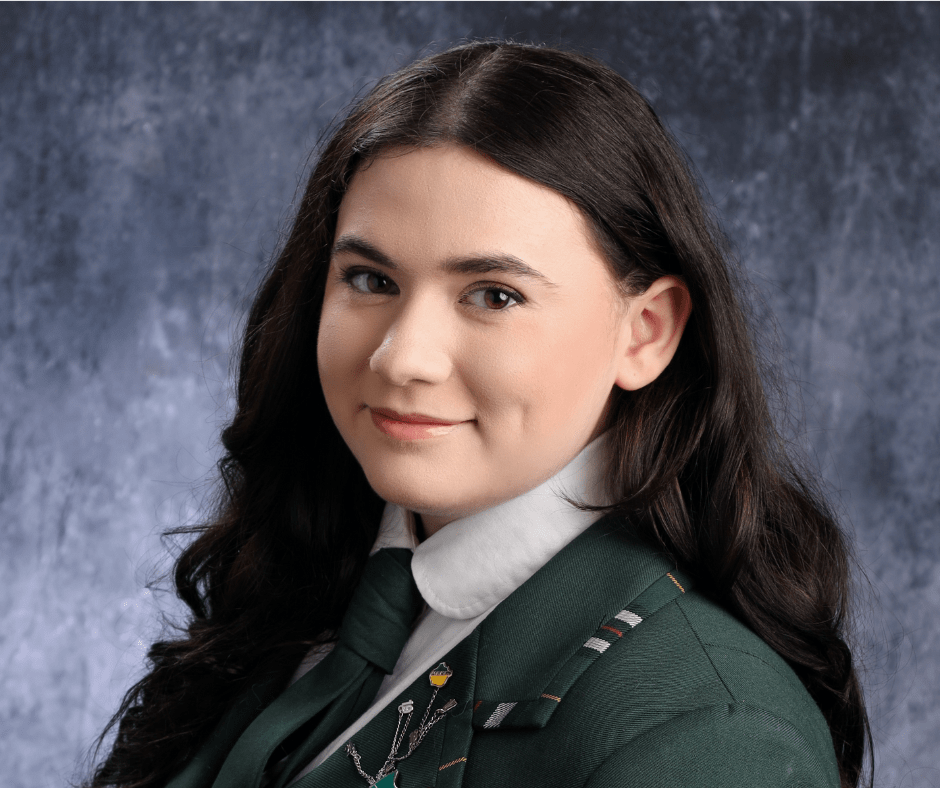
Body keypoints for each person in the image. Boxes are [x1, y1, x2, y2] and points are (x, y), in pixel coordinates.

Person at [85, 40, 871, 788]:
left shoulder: (706, 733)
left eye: (494, 295)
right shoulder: (307, 577)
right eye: (369, 280)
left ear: (647, 332)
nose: (401, 357)